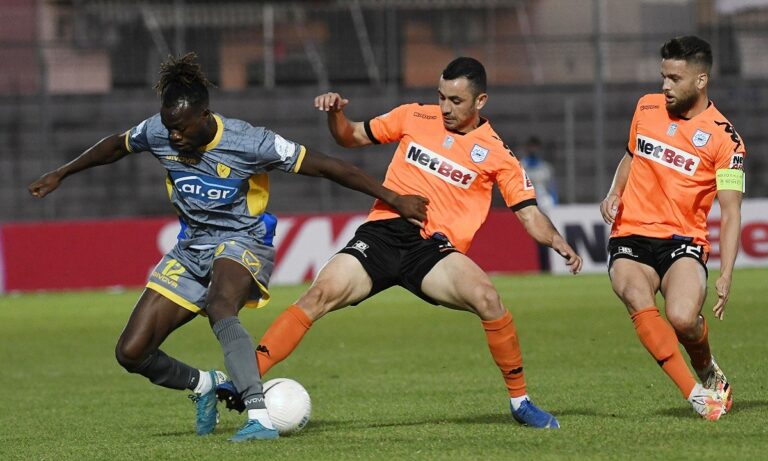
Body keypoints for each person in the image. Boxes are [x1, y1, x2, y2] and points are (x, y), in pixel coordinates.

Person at [27, 53, 427, 441]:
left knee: (221, 305)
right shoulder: (158, 131)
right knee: (131, 352)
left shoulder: (249, 141)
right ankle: (205, 385)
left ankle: (258, 416)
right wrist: (61, 173)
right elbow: (116, 145)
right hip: (191, 248)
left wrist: (394, 198)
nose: (174, 136)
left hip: (243, 240)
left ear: (204, 116)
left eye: (181, 128)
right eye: (169, 127)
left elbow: (327, 166)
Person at [218, 57, 583, 429]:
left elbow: (528, 213)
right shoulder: (414, 115)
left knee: (488, 299)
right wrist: (336, 114)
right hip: (382, 235)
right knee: (317, 295)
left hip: (432, 249)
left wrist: (556, 240)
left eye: (456, 101)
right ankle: (245, 378)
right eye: (441, 96)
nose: (445, 108)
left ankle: (520, 402)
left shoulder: (497, 154)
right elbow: (350, 136)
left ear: (480, 101)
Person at [599, 36, 744, 421]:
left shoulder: (726, 140)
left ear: (700, 80)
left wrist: (727, 273)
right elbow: (631, 156)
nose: (665, 86)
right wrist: (614, 192)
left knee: (682, 318)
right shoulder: (646, 107)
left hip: (683, 241)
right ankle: (696, 395)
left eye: (675, 78)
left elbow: (730, 211)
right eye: (663, 76)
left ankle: (705, 364)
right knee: (635, 294)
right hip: (630, 234)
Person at [519, 136, 558, 271]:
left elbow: (551, 187)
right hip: (527, 204)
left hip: (544, 204)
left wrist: (554, 202)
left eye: (535, 147)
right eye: (531, 146)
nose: (533, 149)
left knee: (545, 234)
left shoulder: (545, 168)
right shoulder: (521, 166)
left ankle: (545, 266)